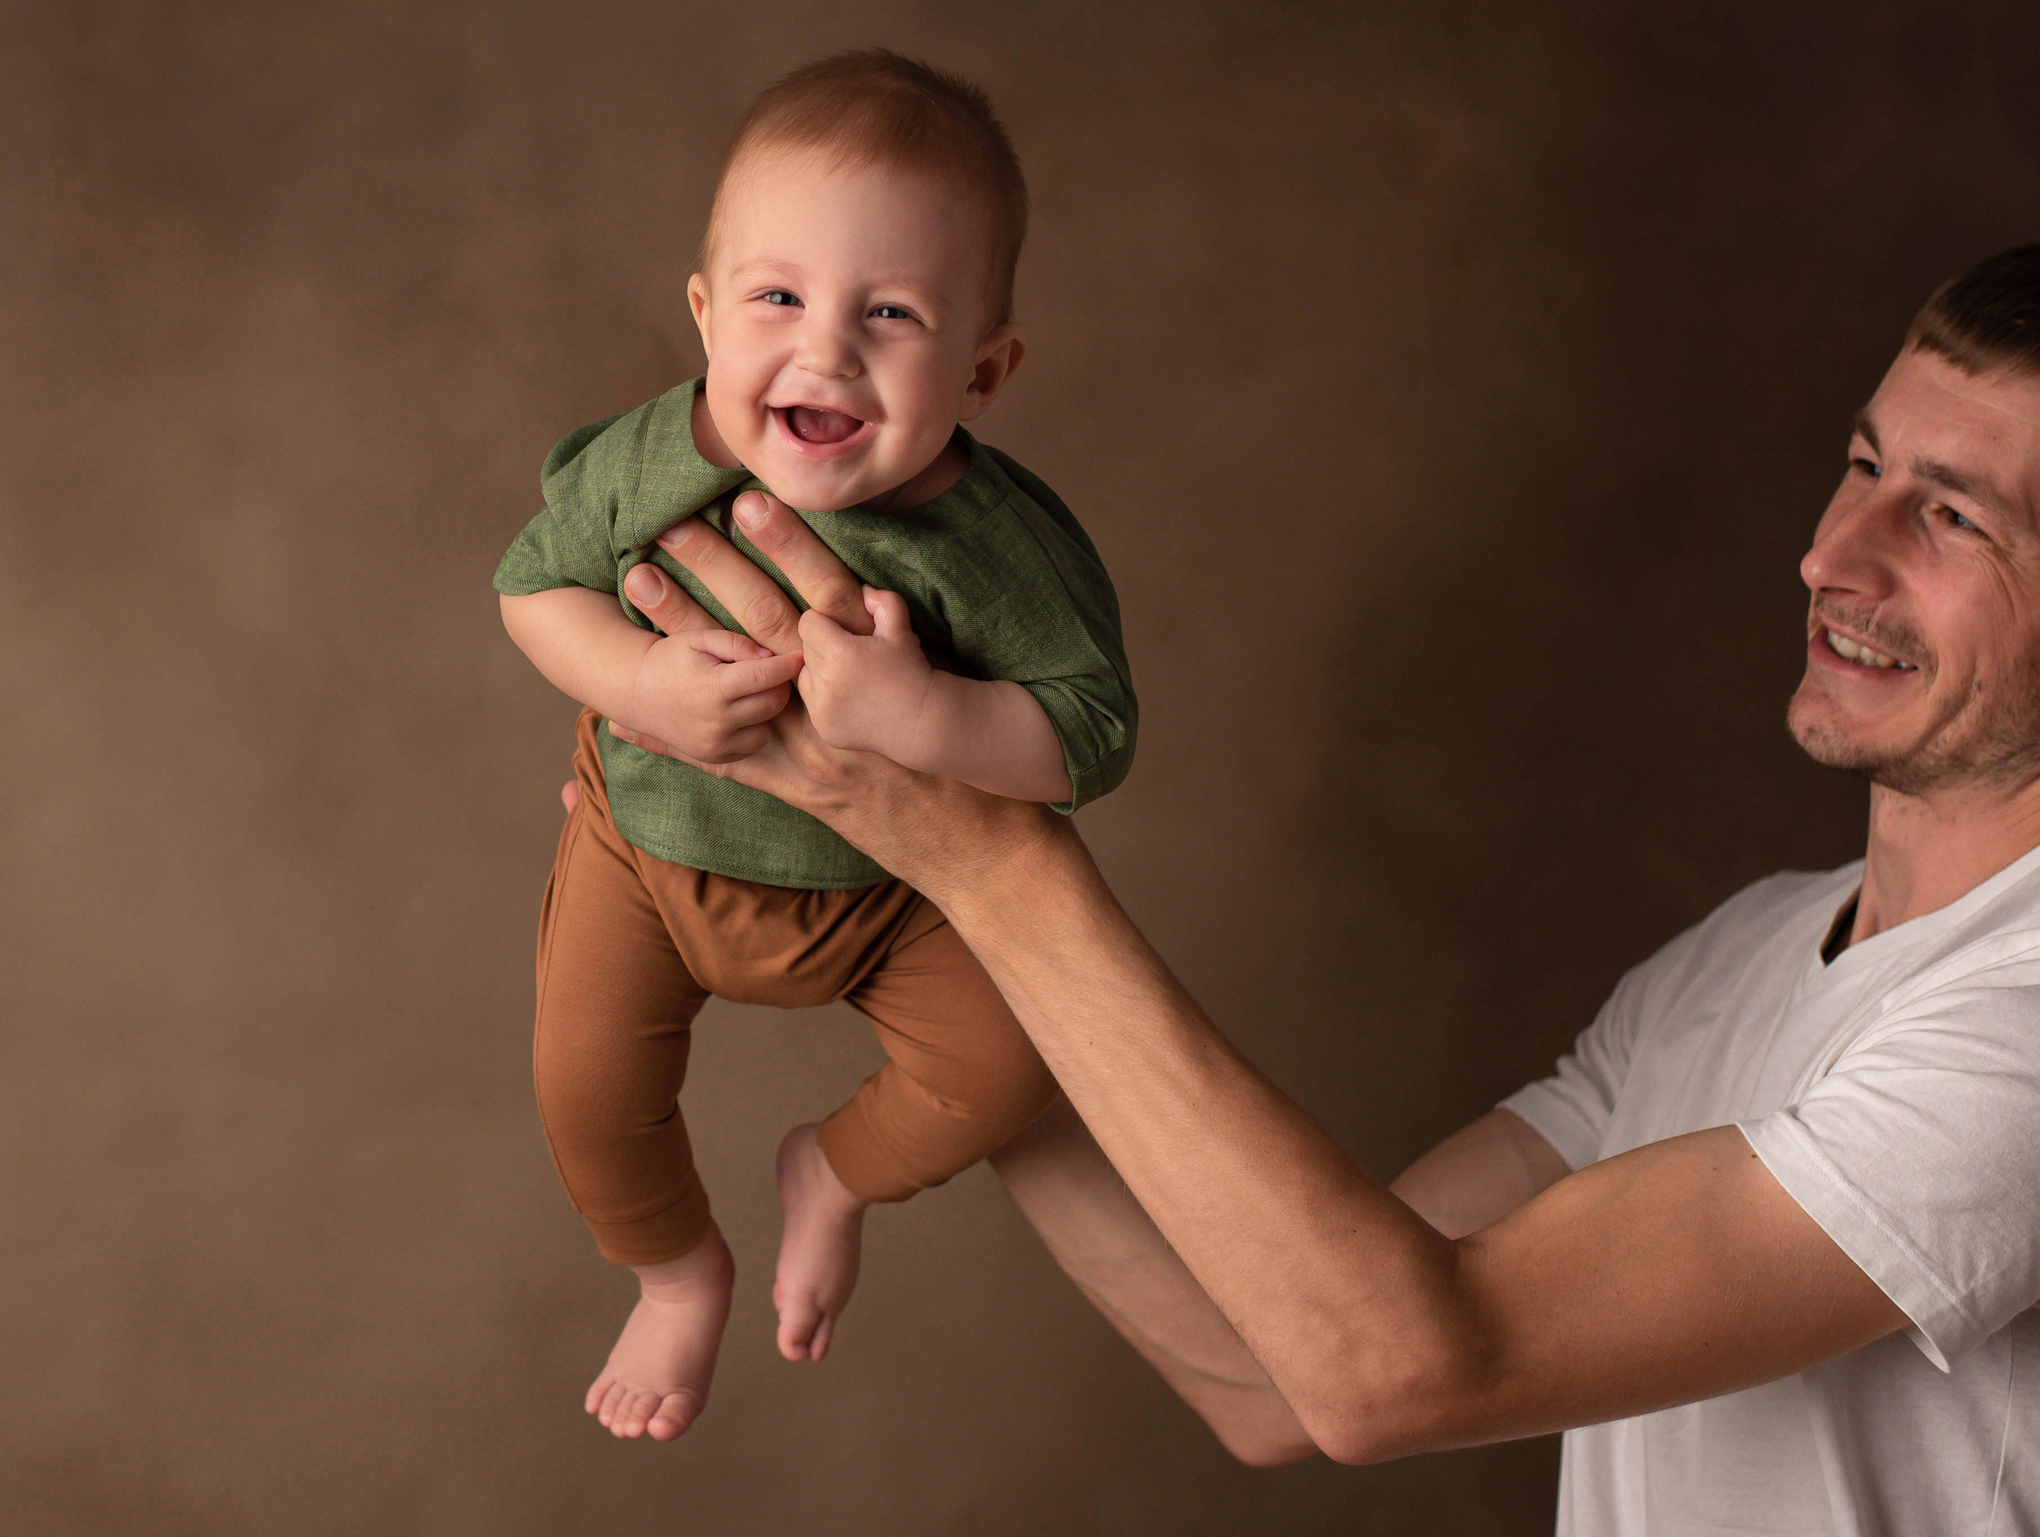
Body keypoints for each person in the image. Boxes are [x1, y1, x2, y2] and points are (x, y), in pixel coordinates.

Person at [595, 244, 2040, 1532]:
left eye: (1954, 519)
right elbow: (1272, 1365)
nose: (1832, 554)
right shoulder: (1741, 958)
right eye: (1864, 469)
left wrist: (981, 852)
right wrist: (920, 922)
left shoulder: (2020, 1027)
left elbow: (1398, 1369)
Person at [494, 51, 1137, 1441]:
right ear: (705, 313)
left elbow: (1092, 732)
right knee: (583, 1087)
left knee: (1013, 1066)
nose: (826, 348)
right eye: (777, 297)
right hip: (650, 854)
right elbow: (531, 585)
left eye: (891, 313)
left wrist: (928, 718)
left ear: (986, 364)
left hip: (889, 901)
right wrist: (641, 685)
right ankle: (677, 1273)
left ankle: (832, 1175)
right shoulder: (655, 457)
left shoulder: (995, 543)